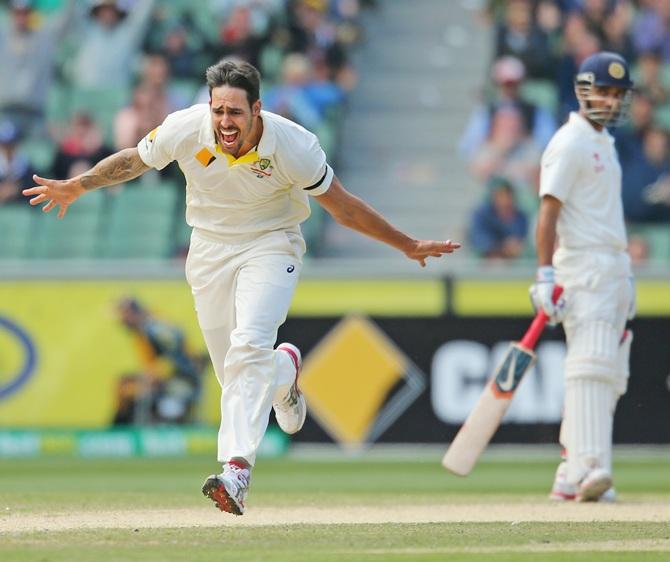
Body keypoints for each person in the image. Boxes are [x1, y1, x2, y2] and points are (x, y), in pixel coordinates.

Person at [22, 59, 461, 515]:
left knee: (248, 346)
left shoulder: (294, 145)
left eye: (234, 112)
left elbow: (344, 209)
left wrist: (406, 244)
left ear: (257, 109)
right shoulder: (186, 127)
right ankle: (284, 373)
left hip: (272, 244)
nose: (224, 122)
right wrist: (79, 185)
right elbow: (136, 158)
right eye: (218, 111)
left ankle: (236, 471)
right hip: (209, 249)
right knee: (235, 372)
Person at [530, 51, 636, 503]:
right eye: (603, 92)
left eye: (617, 94)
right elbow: (548, 211)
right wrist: (545, 274)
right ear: (582, 91)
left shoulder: (605, 143)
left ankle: (569, 471)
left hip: (615, 268)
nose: (610, 102)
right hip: (584, 267)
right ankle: (588, 467)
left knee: (612, 374)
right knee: (590, 366)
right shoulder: (569, 142)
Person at [113, 297, 206, 426]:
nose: (121, 321)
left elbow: (175, 357)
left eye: (123, 315)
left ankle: (123, 431)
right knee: (124, 383)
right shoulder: (147, 327)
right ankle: (120, 429)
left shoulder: (153, 328)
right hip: (170, 376)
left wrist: (154, 377)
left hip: (181, 380)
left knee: (129, 388)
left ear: (132, 313)